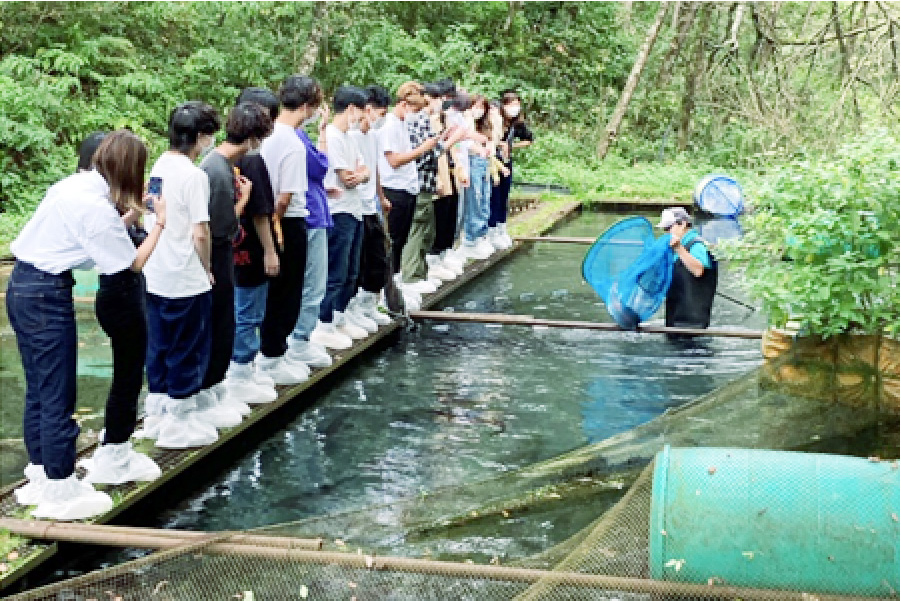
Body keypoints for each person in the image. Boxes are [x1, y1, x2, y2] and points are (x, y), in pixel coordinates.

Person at [8, 129, 164, 519]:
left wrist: (128, 215)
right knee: (58, 390)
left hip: (23, 286)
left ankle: (43, 475)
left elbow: (87, 238)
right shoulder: (94, 207)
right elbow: (128, 264)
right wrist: (160, 222)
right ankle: (62, 490)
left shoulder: (76, 185)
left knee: (39, 389)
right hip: (45, 297)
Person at [139, 101, 221, 450]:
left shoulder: (159, 164)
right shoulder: (194, 175)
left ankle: (156, 411)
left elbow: (149, 209)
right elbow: (200, 231)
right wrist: (207, 267)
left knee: (158, 343)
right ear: (201, 137)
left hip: (155, 270)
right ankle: (181, 419)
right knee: (187, 346)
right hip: (185, 275)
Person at [197, 101, 273, 419]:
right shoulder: (215, 168)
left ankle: (215, 387)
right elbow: (213, 228)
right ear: (253, 137)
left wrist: (240, 201)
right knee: (219, 323)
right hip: (216, 258)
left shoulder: (222, 165)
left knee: (226, 321)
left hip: (222, 253)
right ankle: (207, 390)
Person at [258, 75, 317, 384]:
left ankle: (268, 352)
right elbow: (285, 196)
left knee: (270, 291)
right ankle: (273, 354)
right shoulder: (293, 142)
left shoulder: (265, 132)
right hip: (287, 221)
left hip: (262, 217)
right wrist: (277, 225)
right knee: (288, 290)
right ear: (306, 107)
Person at [227, 87, 285, 398]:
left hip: (232, 248)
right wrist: (270, 251)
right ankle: (241, 369)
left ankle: (238, 367)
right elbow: (261, 212)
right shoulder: (252, 160)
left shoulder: (224, 159)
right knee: (249, 311)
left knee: (238, 308)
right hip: (249, 248)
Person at [377, 81, 440, 300]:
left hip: (408, 188)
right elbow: (393, 160)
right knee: (393, 241)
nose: (416, 115)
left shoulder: (402, 124)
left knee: (401, 239)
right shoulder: (390, 126)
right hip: (394, 188)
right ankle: (388, 289)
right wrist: (423, 149)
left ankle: (396, 285)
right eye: (414, 109)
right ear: (403, 104)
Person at [319, 85, 373, 340]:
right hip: (338, 211)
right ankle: (325, 321)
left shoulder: (350, 137)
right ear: (351, 109)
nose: (362, 120)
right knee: (336, 270)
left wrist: (360, 175)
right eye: (361, 114)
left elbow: (364, 170)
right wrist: (359, 175)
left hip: (355, 210)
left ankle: (340, 315)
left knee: (352, 269)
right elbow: (346, 178)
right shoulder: (332, 136)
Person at [343, 85, 393, 328]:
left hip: (370, 204)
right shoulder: (350, 136)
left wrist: (380, 195)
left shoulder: (372, 136)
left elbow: (373, 169)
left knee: (377, 258)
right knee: (357, 260)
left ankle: (368, 303)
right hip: (355, 206)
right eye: (378, 113)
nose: (378, 119)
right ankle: (351, 308)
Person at [657, 207, 718, 330]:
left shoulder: (697, 245)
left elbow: (698, 270)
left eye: (669, 228)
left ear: (683, 224)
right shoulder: (676, 248)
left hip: (693, 324)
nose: (667, 232)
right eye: (665, 229)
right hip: (675, 319)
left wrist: (679, 248)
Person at [489, 90, 533, 249]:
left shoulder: (517, 124)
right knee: (493, 196)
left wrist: (511, 145)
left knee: (503, 196)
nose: (515, 108)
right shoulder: (495, 120)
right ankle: (491, 230)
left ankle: (501, 227)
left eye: (517, 105)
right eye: (511, 104)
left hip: (506, 161)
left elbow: (529, 139)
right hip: (492, 162)